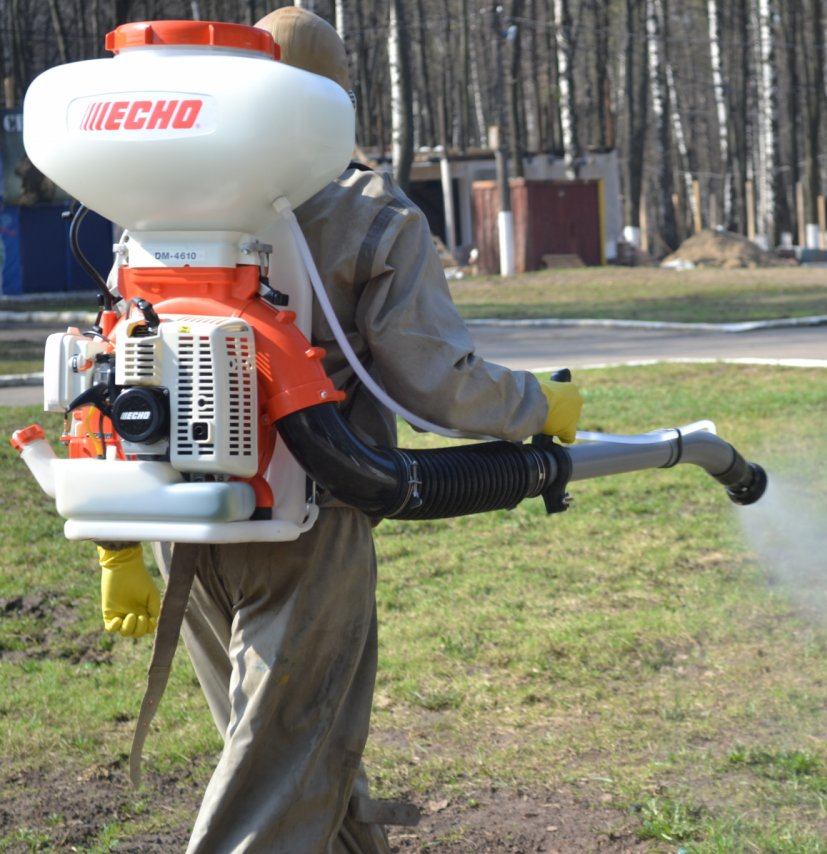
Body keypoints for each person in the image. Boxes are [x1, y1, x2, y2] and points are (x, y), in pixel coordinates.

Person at [97, 7, 583, 851]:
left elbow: (118, 367)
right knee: (278, 772)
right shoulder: (369, 211)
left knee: (285, 747)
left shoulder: (159, 199)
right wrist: (541, 406)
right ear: (337, 101)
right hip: (307, 521)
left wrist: (117, 547)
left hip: (181, 522)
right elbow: (435, 381)